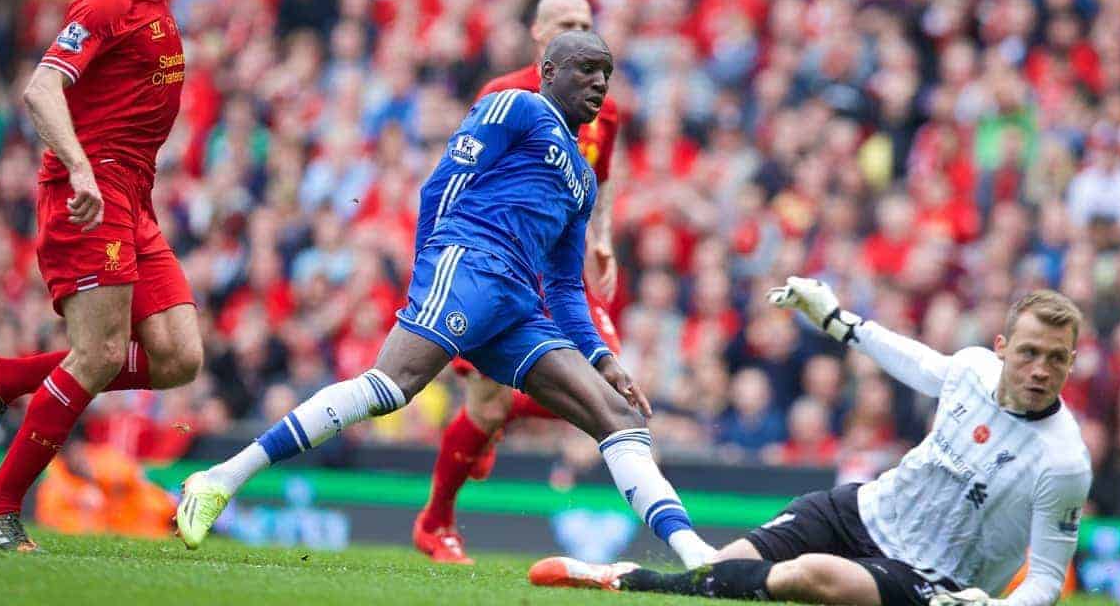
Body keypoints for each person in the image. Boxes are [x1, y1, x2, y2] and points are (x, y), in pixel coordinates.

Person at [176, 30, 717, 570]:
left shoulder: (582, 179)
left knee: (620, 416)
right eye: (586, 68)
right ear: (548, 71)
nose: (599, 81)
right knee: (390, 388)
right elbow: (442, 185)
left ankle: (694, 555)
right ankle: (220, 480)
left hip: (518, 305)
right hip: (470, 263)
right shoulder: (519, 107)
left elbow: (566, 288)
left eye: (607, 71)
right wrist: (431, 272)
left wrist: (603, 358)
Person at [530, 280, 1092, 606]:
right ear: (1001, 347)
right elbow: (918, 362)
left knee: (812, 574)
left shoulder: (1064, 462)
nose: (1041, 369)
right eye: (1029, 352)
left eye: (1056, 358)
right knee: (721, 571)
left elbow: (1045, 577)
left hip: (935, 581)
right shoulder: (971, 367)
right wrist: (840, 322)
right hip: (866, 509)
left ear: (1071, 361)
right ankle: (624, 577)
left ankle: (627, 578)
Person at [0, 0, 202, 553]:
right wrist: (78, 165)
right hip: (90, 196)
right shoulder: (105, 1)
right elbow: (42, 88)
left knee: (178, 357)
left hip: (133, 199)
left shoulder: (151, 2)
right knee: (100, 353)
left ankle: (4, 377)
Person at [413, 0, 624, 564]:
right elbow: (461, 178)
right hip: (492, 267)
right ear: (539, 36)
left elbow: (600, 182)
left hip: (557, 269)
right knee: (484, 407)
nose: (581, 28)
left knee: (605, 382)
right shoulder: (503, 96)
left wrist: (601, 240)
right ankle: (435, 523)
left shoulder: (604, 106)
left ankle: (492, 422)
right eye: (567, 22)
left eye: (587, 20)